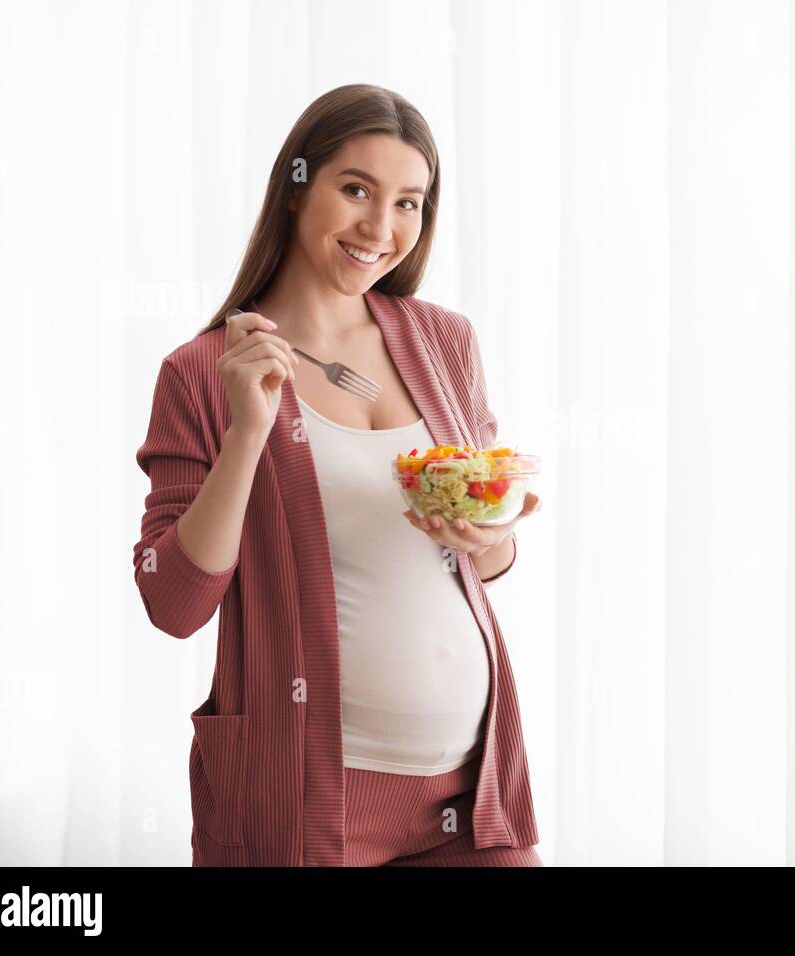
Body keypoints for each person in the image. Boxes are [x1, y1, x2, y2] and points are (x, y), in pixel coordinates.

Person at [132, 84, 543, 866]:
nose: (380, 229)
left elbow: (486, 562)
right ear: (295, 189)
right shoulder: (202, 373)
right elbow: (173, 601)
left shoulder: (444, 342)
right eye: (356, 189)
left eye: (408, 203)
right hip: (301, 800)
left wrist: (490, 535)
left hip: (469, 789)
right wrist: (249, 430)